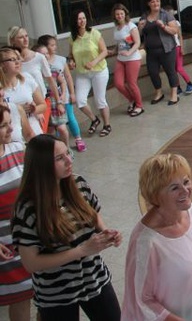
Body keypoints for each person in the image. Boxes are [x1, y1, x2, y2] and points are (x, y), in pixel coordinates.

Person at [12, 134, 122, 320]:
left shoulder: (78, 184)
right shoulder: (28, 208)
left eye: (68, 153)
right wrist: (81, 250)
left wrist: (105, 232)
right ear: (42, 165)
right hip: (57, 293)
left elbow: (93, 214)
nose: (69, 160)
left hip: (94, 278)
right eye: (60, 158)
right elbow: (31, 263)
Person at [122, 153, 192, 320]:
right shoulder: (146, 241)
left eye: (186, 181)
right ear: (155, 196)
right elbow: (141, 300)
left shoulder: (191, 211)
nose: (185, 191)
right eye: (174, 188)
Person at [0, 104, 33, 321]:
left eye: (9, 123)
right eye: (3, 125)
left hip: (30, 241)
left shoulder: (18, 150)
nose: (11, 129)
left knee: (37, 296)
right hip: (5, 251)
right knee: (18, 300)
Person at [36, 35, 86, 152]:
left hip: (62, 97)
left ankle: (77, 139)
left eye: (55, 45)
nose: (54, 47)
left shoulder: (60, 60)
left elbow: (66, 78)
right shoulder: (39, 67)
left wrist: (70, 93)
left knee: (69, 117)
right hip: (47, 101)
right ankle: (56, 148)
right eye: (52, 45)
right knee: (52, 128)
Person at [8, 26, 62, 132]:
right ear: (13, 40)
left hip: (41, 101)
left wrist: (59, 102)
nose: (25, 39)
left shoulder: (38, 57)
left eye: (26, 36)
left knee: (44, 132)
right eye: (21, 37)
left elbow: (50, 81)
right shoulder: (11, 62)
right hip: (23, 104)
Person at [138, 0, 180, 105]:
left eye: (157, 1)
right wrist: (140, 28)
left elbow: (174, 30)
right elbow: (140, 34)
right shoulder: (144, 16)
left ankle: (174, 95)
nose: (155, 3)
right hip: (151, 51)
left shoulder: (166, 15)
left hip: (167, 49)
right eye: (153, 1)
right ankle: (159, 93)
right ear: (148, 4)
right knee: (153, 72)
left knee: (170, 71)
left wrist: (163, 26)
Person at [1, 47, 46, 136]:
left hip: (34, 132)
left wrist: (34, 109)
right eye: (12, 60)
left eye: (18, 59)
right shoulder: (1, 90)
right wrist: (17, 109)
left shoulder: (27, 78)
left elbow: (43, 105)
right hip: (12, 136)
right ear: (2, 64)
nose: (17, 62)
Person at [31, 44, 70, 146]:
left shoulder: (53, 69)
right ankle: (54, 152)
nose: (46, 56)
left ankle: (66, 149)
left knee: (62, 129)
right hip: (44, 103)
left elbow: (62, 82)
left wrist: (62, 96)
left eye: (47, 53)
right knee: (50, 131)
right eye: (42, 54)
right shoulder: (35, 73)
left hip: (55, 102)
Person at [111, 3, 144, 117]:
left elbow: (137, 42)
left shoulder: (131, 26)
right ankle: (132, 100)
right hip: (120, 59)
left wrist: (129, 52)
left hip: (132, 59)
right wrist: (114, 50)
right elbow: (119, 43)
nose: (119, 16)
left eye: (121, 13)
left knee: (131, 83)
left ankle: (139, 106)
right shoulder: (116, 28)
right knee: (118, 83)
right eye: (117, 14)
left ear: (125, 14)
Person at [164, 6, 192, 95]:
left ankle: (190, 84)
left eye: (171, 14)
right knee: (173, 70)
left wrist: (182, 47)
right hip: (170, 49)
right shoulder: (164, 25)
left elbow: (180, 36)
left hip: (176, 47)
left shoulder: (176, 23)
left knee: (179, 68)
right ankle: (178, 87)